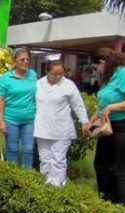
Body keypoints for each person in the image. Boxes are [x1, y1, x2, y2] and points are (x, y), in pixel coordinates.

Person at [91, 49, 125, 207]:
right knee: (101, 165)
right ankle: (106, 200)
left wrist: (113, 107)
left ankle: (122, 208)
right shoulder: (111, 78)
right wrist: (91, 121)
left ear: (104, 63)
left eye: (97, 67)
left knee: (120, 170)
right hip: (110, 127)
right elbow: (104, 104)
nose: (98, 71)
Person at [33, 58, 89, 187]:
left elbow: (78, 105)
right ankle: (45, 184)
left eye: (61, 73)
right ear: (47, 72)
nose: (58, 76)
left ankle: (58, 186)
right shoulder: (39, 84)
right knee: (45, 159)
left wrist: (84, 121)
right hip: (42, 127)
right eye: (54, 74)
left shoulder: (69, 85)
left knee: (58, 160)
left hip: (62, 129)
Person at [0, 48, 38, 168]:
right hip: (11, 119)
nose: (25, 62)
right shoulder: (6, 78)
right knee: (12, 149)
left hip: (29, 119)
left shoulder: (33, 74)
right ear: (14, 61)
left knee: (28, 149)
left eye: (27, 59)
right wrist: (1, 121)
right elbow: (0, 100)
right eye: (22, 59)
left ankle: (27, 177)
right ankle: (12, 176)